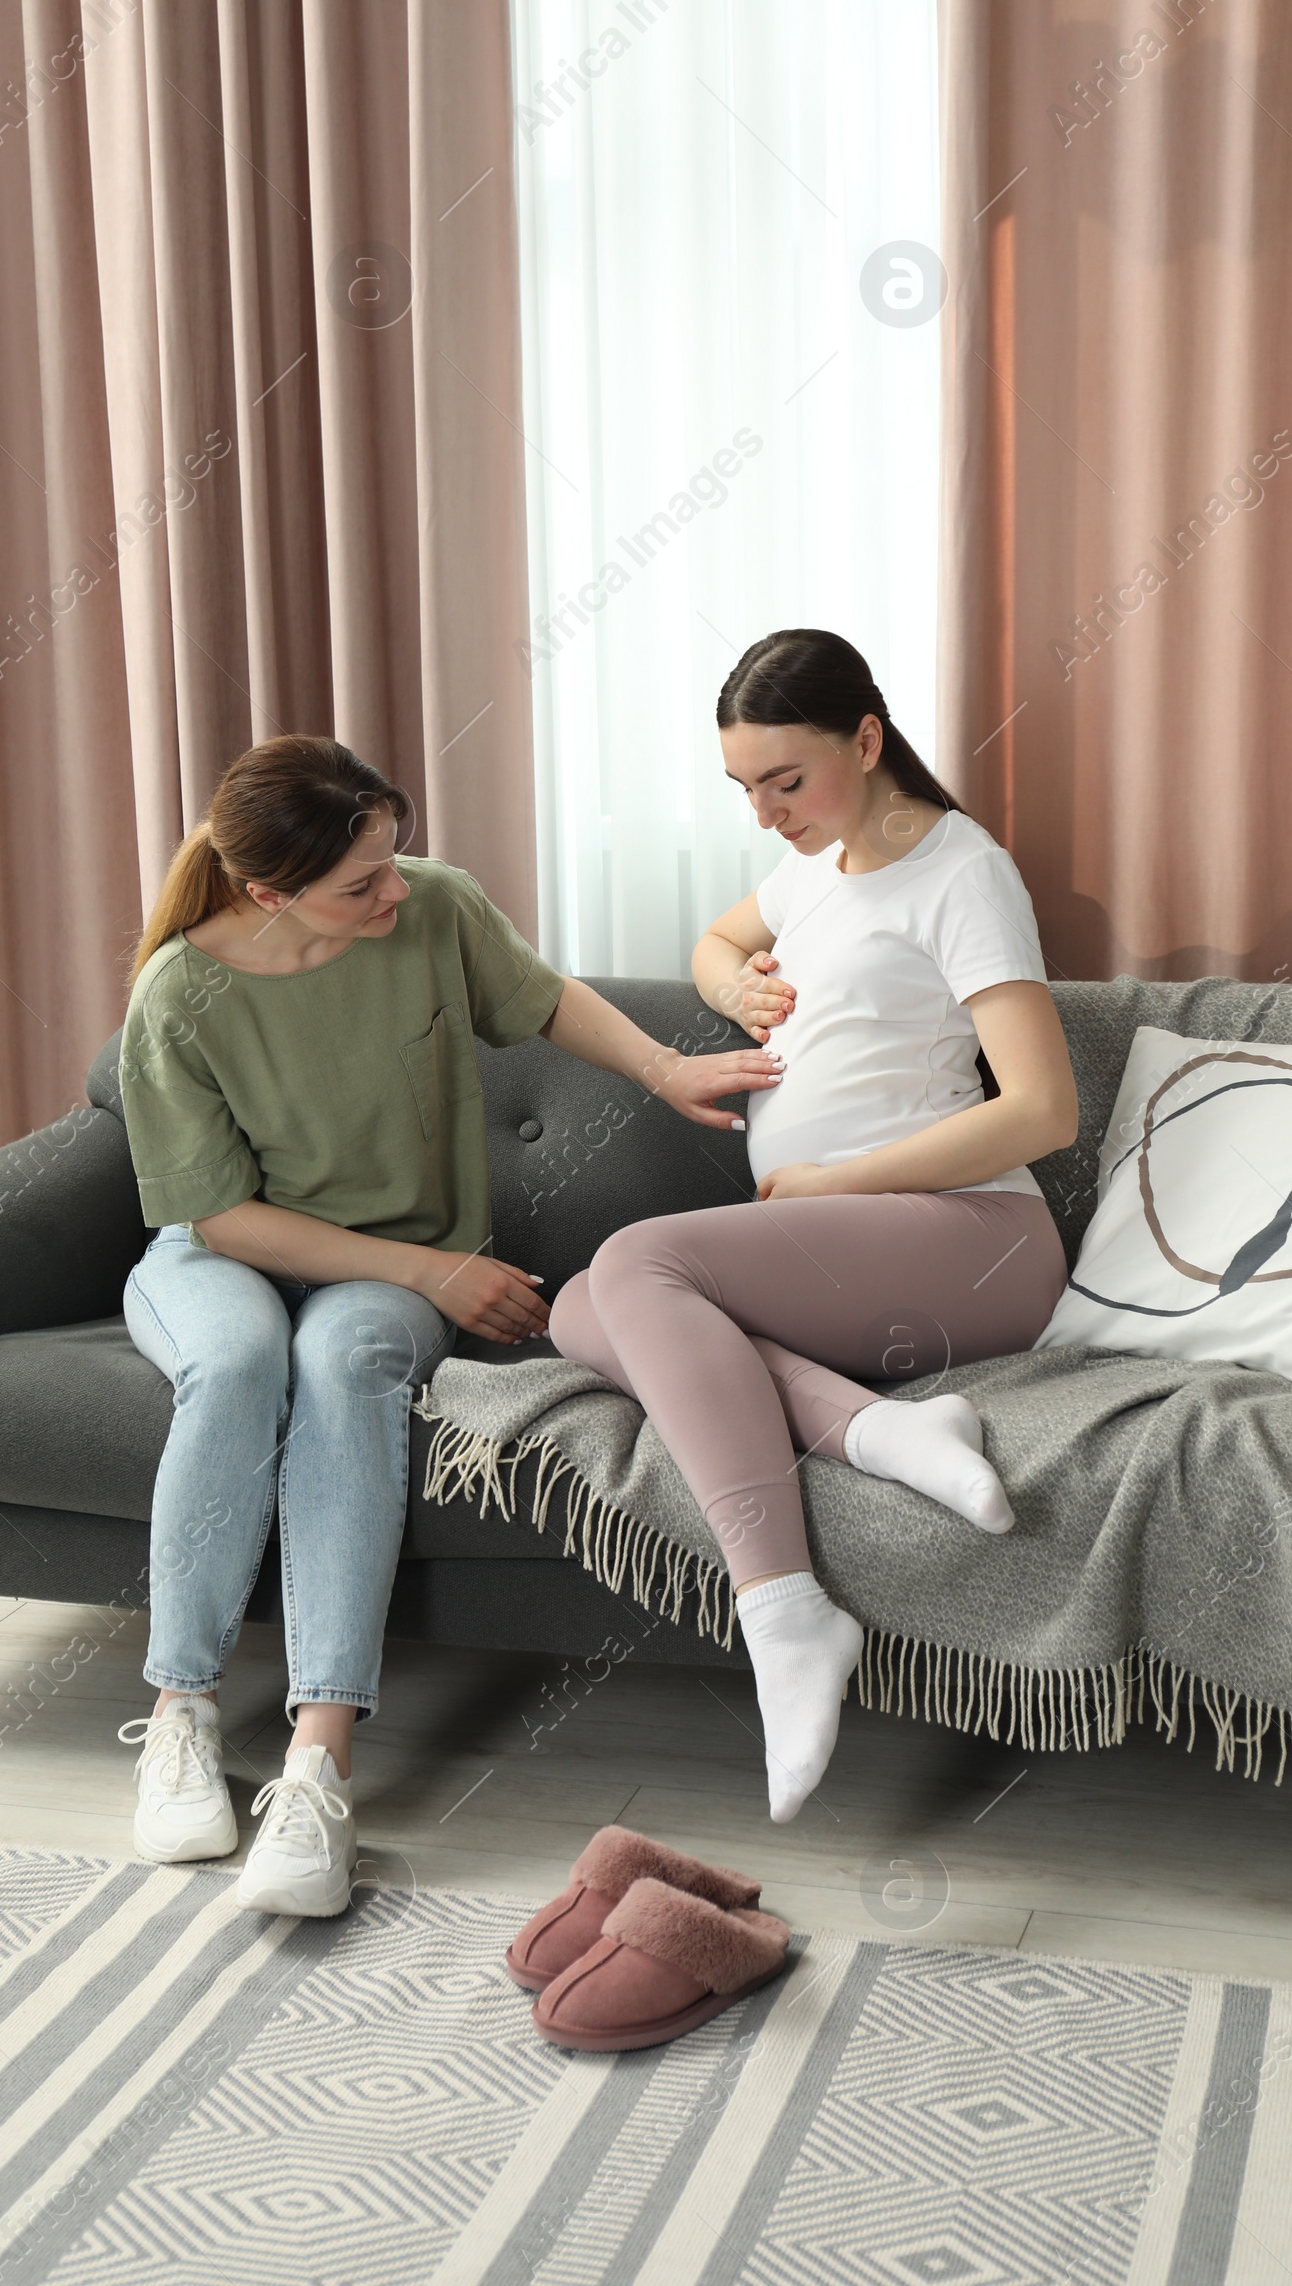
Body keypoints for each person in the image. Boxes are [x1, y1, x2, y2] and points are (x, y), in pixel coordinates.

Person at [115, 734, 778, 1915]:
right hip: (222, 1253)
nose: (393, 891)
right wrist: (434, 1271)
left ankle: (319, 1767)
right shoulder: (180, 993)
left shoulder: (431, 909)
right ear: (269, 894)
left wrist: (670, 1071)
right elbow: (220, 1220)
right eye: (360, 881)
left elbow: (547, 1000)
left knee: (343, 1355)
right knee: (237, 1357)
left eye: (392, 858)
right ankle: (181, 1710)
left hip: (384, 1275)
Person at [548, 630, 1077, 1822]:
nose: (765, 813)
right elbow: (721, 935)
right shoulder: (814, 871)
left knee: (636, 1261)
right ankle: (884, 1437)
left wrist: (844, 1183)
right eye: (744, 789)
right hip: (864, 1249)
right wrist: (728, 980)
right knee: (584, 1304)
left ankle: (784, 1613)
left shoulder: (962, 875)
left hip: (974, 1236)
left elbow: (1044, 1110)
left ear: (869, 740)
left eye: (786, 780)